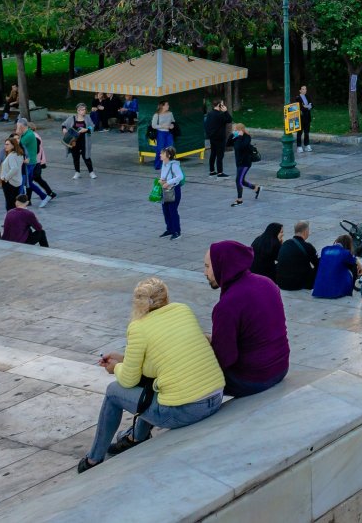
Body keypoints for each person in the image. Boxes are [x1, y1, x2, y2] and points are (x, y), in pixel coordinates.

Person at [76, 277, 225, 473]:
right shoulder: (182, 310)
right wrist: (124, 360)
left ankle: (94, 459)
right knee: (157, 383)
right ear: (166, 297)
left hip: (187, 410)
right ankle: (137, 438)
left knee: (113, 391)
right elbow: (158, 363)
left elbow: (129, 380)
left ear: (137, 303)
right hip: (215, 396)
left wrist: (115, 368)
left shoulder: (138, 327)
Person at [206, 239, 289, 398]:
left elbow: (225, 357)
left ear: (223, 265)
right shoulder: (267, 283)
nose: (205, 273)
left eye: (208, 266)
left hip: (253, 379)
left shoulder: (226, 306)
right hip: (281, 367)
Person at [275, 221, 320, 291]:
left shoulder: (285, 244)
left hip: (281, 283)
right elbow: (317, 264)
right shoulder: (307, 247)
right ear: (306, 231)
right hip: (297, 284)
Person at [313, 233, 359, 299]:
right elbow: (353, 261)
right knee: (353, 266)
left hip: (319, 290)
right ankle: (350, 289)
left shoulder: (324, 249)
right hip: (334, 292)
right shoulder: (345, 253)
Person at [158, 146, 184, 239]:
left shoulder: (174, 165)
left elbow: (180, 176)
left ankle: (177, 231)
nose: (160, 155)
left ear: (168, 155)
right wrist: (161, 180)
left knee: (172, 210)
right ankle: (170, 229)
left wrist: (168, 182)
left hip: (173, 190)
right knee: (166, 210)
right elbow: (164, 175)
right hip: (165, 189)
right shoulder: (164, 164)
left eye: (162, 153)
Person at [231, 126, 262, 204]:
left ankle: (239, 199)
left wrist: (240, 137)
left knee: (238, 181)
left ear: (241, 130)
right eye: (233, 130)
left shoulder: (246, 138)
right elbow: (227, 144)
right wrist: (232, 135)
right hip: (239, 162)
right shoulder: (237, 137)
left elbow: (239, 147)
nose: (234, 131)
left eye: (235, 130)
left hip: (245, 163)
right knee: (242, 180)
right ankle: (255, 188)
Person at [204, 99, 232, 177]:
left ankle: (212, 171)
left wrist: (210, 135)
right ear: (219, 105)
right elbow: (229, 120)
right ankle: (220, 172)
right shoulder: (221, 114)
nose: (223, 106)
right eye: (222, 104)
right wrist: (226, 111)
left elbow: (206, 126)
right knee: (220, 155)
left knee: (213, 154)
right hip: (220, 138)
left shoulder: (210, 114)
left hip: (212, 138)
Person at [0, 138, 26, 211]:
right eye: (5, 144)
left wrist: (5, 178)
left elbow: (14, 168)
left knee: (9, 205)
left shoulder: (12, 155)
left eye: (7, 144)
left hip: (9, 183)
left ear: (13, 146)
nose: (5, 146)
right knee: (14, 203)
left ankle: (11, 219)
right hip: (16, 182)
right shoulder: (18, 154)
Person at [65, 110, 95, 179]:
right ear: (78, 110)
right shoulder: (72, 118)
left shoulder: (87, 118)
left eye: (85, 109)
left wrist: (87, 130)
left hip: (84, 141)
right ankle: (77, 172)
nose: (84, 111)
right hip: (74, 141)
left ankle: (91, 172)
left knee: (86, 156)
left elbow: (92, 126)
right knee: (75, 156)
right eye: (82, 109)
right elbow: (64, 124)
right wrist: (64, 129)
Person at [152, 102, 176, 170]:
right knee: (160, 149)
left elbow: (173, 121)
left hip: (168, 133)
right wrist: (163, 126)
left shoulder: (170, 113)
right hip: (160, 133)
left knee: (170, 149)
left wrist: (172, 125)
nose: (168, 106)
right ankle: (158, 165)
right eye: (167, 105)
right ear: (162, 106)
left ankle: (168, 165)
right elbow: (153, 125)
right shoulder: (157, 115)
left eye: (168, 104)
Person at [296, 85, 314, 152]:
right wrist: (307, 106)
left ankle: (307, 145)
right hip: (301, 117)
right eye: (303, 89)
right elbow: (300, 107)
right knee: (300, 132)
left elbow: (312, 105)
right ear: (300, 90)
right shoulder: (298, 98)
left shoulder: (308, 97)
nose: (304, 90)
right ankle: (299, 146)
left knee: (307, 132)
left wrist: (306, 106)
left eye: (305, 89)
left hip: (307, 117)